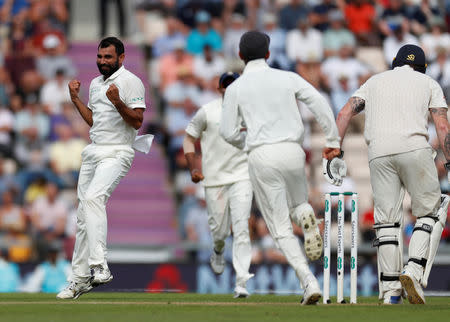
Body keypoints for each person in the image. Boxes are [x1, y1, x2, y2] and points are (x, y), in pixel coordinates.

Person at [219, 31, 343, 305]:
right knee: (299, 203)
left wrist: (247, 138)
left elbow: (227, 133)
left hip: (262, 155)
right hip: (293, 150)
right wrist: (333, 139)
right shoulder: (287, 77)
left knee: (279, 228)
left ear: (240, 56)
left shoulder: (236, 88)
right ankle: (307, 215)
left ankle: (309, 283)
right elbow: (319, 102)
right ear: (268, 54)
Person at [335, 44, 450, 304]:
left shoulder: (373, 81)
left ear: (395, 62)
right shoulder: (428, 82)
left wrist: (333, 152)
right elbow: (442, 126)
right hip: (415, 149)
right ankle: (414, 269)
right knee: (431, 210)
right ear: (421, 67)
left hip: (378, 152)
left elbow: (344, 113)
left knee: (386, 222)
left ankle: (389, 292)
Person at [57, 37, 146, 299]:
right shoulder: (96, 84)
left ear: (121, 58)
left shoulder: (131, 81)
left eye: (108, 57)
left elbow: (137, 122)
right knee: (83, 217)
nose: (102, 62)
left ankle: (99, 266)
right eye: (99, 57)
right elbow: (94, 121)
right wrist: (75, 100)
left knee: (94, 199)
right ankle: (79, 280)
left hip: (118, 150)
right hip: (94, 149)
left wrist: (118, 102)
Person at [183, 72, 254, 298]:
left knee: (242, 227)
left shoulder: (251, 111)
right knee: (220, 231)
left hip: (243, 176)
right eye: (226, 86)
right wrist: (194, 167)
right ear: (220, 89)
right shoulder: (207, 111)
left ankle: (241, 282)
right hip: (214, 179)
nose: (231, 89)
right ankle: (218, 250)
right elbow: (188, 139)